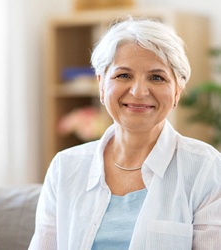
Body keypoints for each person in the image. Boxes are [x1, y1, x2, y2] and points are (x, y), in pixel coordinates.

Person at [29, 17, 221, 250]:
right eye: (123, 75)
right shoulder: (64, 167)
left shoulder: (205, 168)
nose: (139, 92)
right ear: (101, 85)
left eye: (157, 77)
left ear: (178, 91)